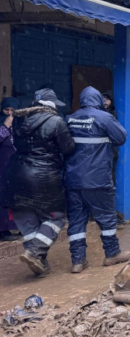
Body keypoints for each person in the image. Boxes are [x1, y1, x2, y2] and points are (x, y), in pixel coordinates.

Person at [5, 89, 75, 276]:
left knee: (26, 217)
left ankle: (39, 263)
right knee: (56, 217)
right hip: (44, 177)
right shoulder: (56, 121)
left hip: (17, 174)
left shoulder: (19, 118)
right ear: (51, 105)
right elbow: (68, 148)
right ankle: (35, 251)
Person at [65, 87, 130, 273]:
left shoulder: (69, 119)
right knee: (106, 217)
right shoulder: (104, 117)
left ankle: (78, 261)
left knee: (77, 220)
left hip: (73, 179)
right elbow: (121, 137)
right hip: (97, 179)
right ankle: (112, 254)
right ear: (98, 100)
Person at [103, 93, 130, 203]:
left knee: (128, 171)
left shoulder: (113, 114)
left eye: (107, 99)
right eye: (103, 98)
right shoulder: (118, 114)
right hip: (120, 148)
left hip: (121, 148)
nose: (105, 101)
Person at [0, 97, 19, 241]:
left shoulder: (20, 124)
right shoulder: (2, 123)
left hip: (16, 168)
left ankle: (17, 227)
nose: (10, 113)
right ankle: (2, 230)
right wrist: (5, 127)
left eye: (13, 110)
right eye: (7, 110)